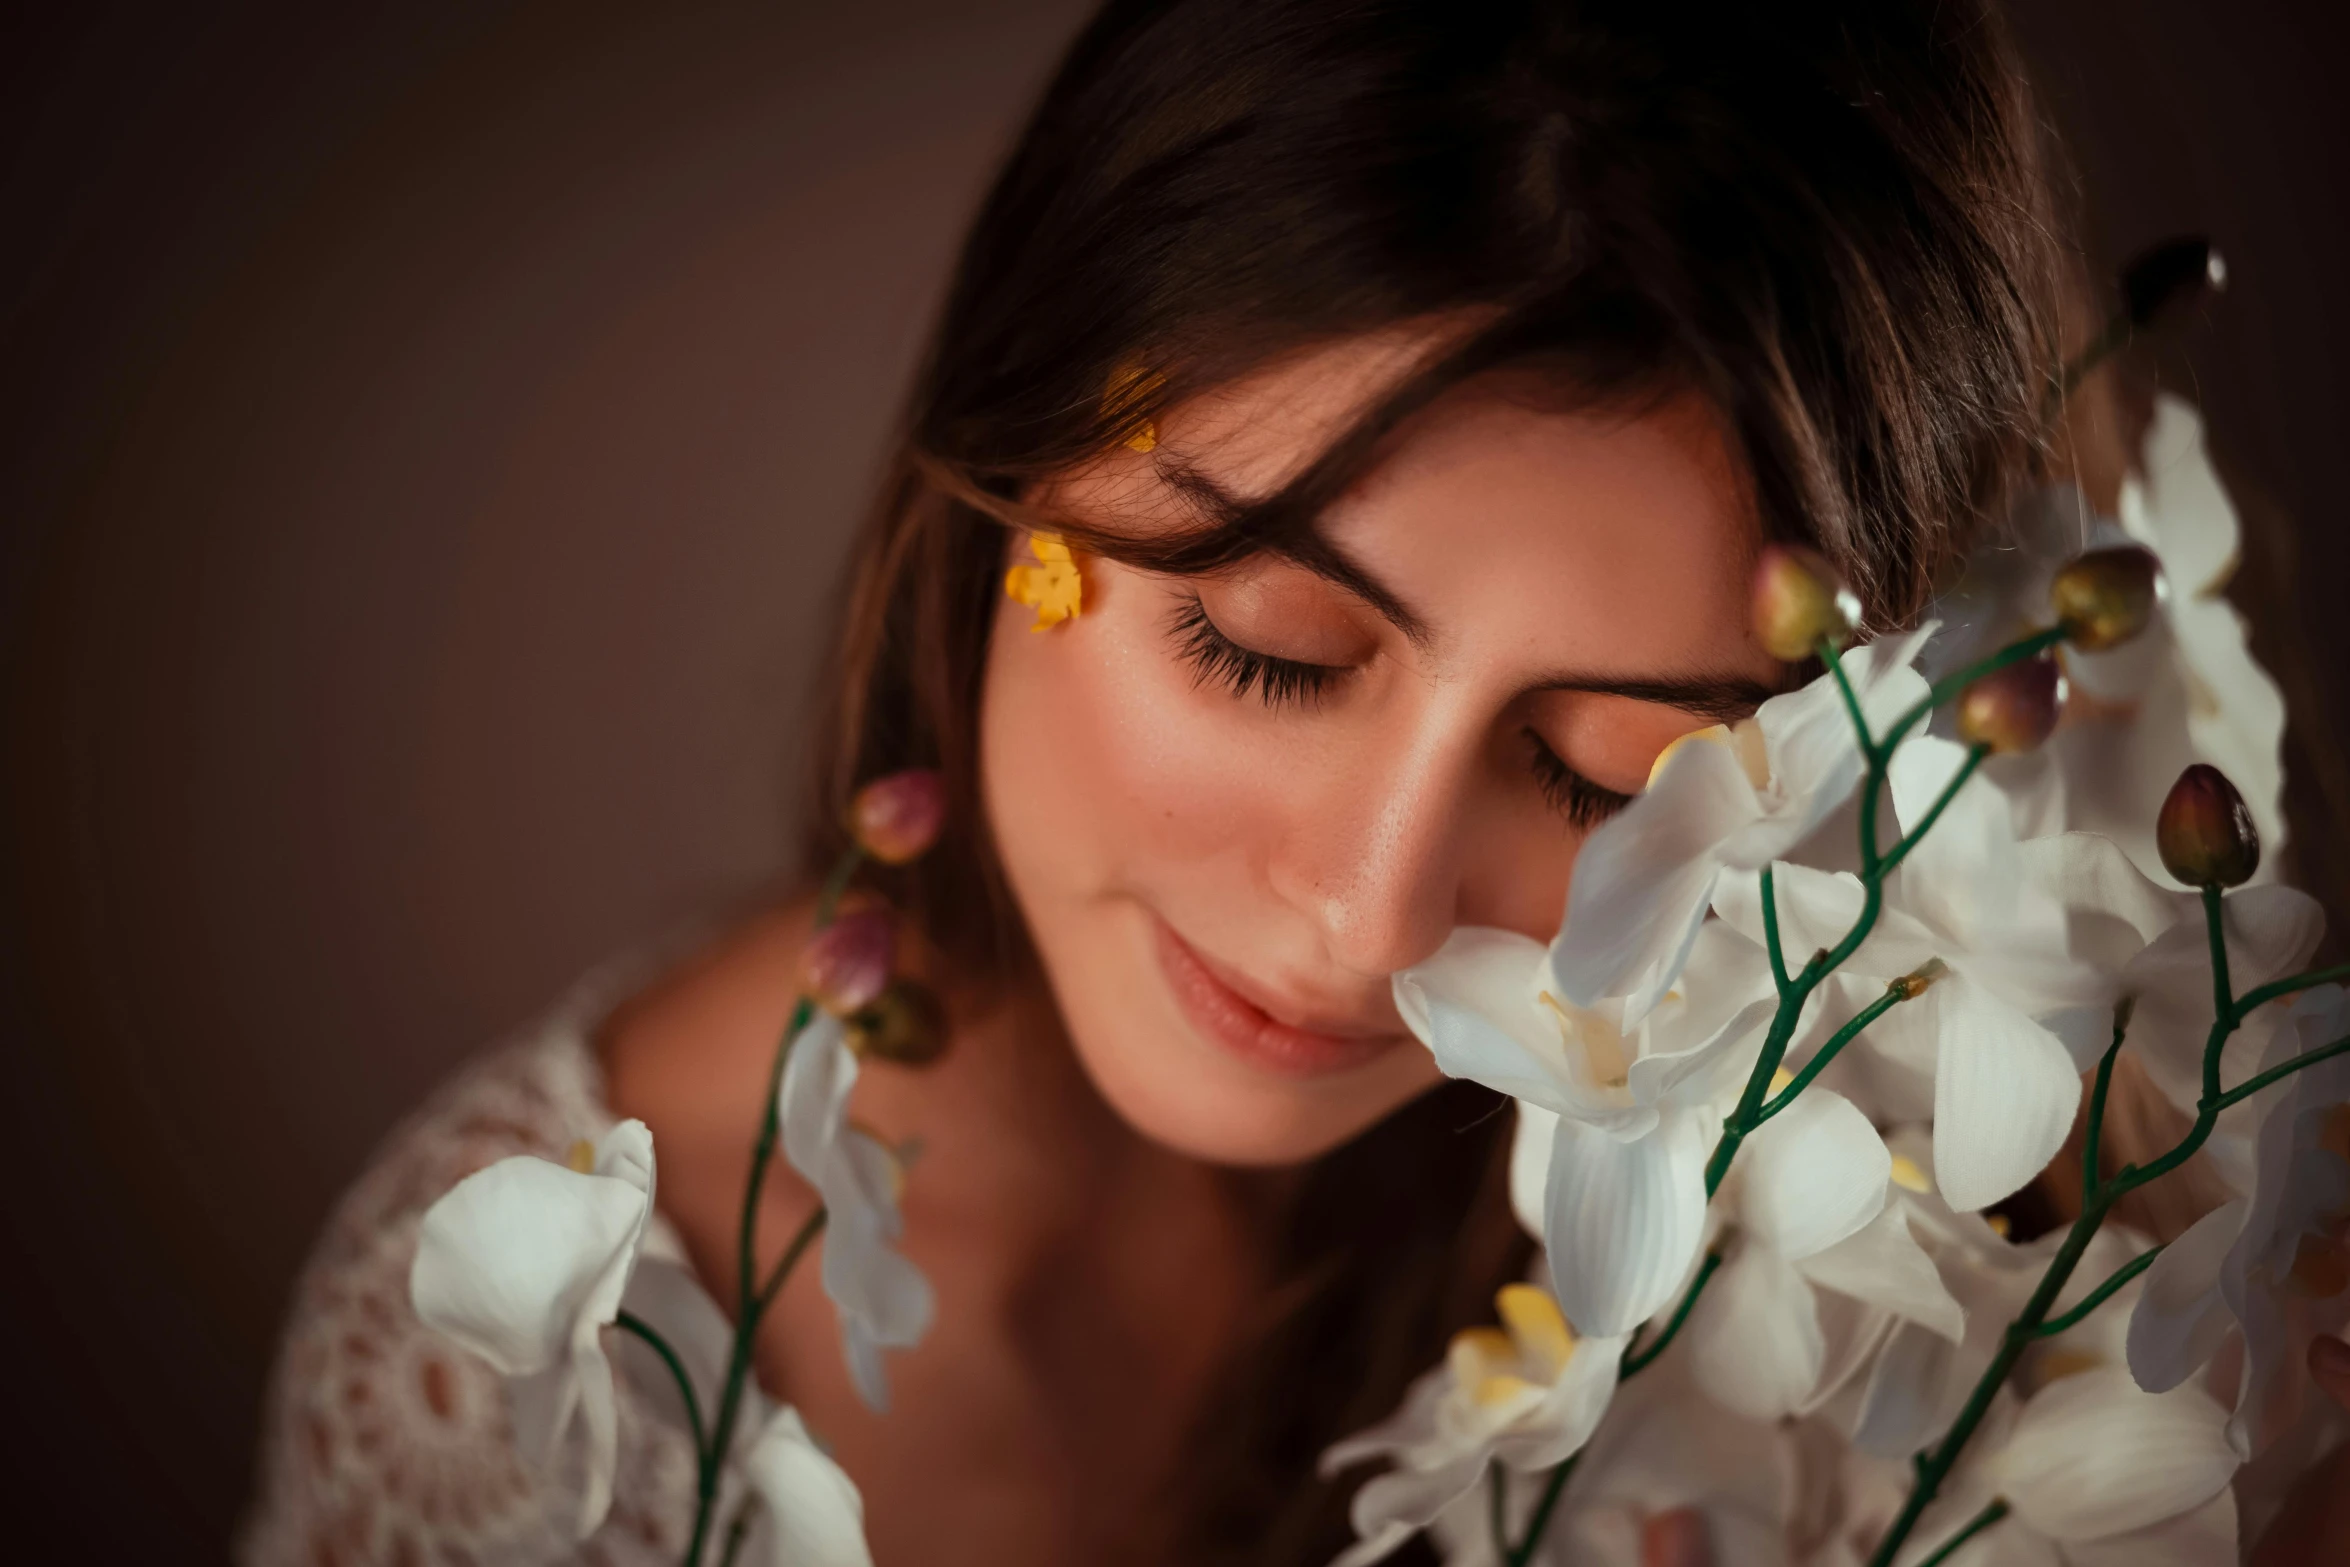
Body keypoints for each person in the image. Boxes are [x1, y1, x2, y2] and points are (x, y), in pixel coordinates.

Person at [241, 2, 2347, 1563]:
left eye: (1616, 773)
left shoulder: (1966, 1224)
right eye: (1262, 648)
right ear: (997, 481)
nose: (1368, 914)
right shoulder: (533, 1388)